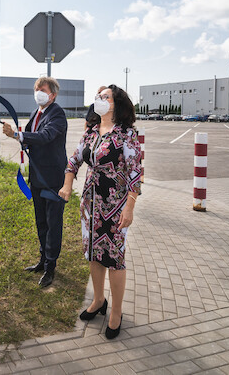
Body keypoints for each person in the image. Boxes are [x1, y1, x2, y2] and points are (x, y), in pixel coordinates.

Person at [59, 84, 141, 340]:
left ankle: (115, 312)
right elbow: (74, 160)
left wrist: (129, 207)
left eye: (106, 97)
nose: (100, 100)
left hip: (114, 207)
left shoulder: (126, 135)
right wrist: (67, 183)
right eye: (99, 97)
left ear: (117, 104)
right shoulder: (92, 132)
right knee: (95, 254)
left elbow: (135, 173)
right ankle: (98, 300)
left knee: (114, 258)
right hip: (90, 206)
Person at [2, 77, 67, 288]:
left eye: (42, 89)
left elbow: (45, 136)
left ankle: (51, 266)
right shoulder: (36, 113)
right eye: (36, 88)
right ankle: (42, 259)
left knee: (53, 223)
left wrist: (18, 134)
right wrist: (15, 135)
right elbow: (28, 138)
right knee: (41, 221)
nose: (38, 92)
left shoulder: (57, 113)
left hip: (53, 180)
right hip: (37, 178)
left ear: (53, 95)